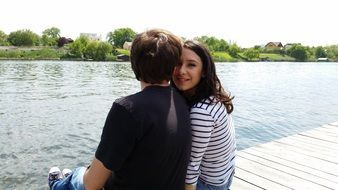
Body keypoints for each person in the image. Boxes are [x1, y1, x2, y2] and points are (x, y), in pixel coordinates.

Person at [48, 28, 192, 190]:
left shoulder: (127, 109)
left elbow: (92, 185)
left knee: (79, 176)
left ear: (134, 65)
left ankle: (57, 183)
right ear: (173, 69)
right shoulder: (181, 101)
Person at [172, 40, 236, 190]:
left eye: (191, 65)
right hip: (224, 176)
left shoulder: (201, 112)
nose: (181, 71)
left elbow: (192, 166)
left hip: (208, 184)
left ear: (204, 70)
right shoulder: (214, 96)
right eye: (177, 63)